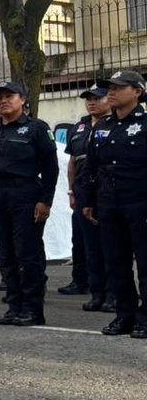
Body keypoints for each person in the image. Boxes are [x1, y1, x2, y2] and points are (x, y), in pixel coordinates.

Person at [0, 80, 60, 327]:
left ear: (23, 100)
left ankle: (33, 309)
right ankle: (14, 305)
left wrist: (45, 201)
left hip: (25, 195)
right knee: (6, 255)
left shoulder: (36, 128)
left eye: (9, 96)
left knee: (28, 253)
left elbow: (51, 168)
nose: (3, 101)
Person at [80, 71, 147, 338]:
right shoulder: (102, 127)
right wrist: (87, 200)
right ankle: (125, 315)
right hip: (109, 203)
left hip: (140, 202)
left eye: (119, 87)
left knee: (145, 263)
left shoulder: (144, 124)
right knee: (115, 262)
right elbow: (91, 167)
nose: (112, 91)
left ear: (138, 91)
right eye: (110, 87)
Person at [66, 85, 113, 312]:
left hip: (109, 193)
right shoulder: (80, 127)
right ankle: (97, 292)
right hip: (84, 193)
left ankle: (114, 294)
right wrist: (72, 191)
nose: (92, 102)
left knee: (112, 246)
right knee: (89, 246)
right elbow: (73, 161)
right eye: (88, 99)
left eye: (97, 98)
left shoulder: (117, 124)